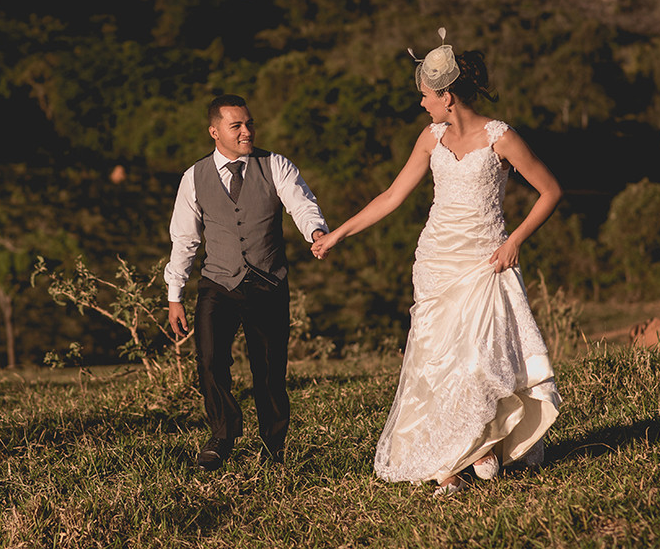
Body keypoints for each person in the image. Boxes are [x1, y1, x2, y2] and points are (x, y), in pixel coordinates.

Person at [311, 29, 562, 496]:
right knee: (438, 364)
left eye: (425, 96)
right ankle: (452, 462)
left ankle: (480, 444)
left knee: (480, 361)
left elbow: (551, 192)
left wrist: (516, 242)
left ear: (447, 96)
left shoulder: (501, 138)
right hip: (435, 262)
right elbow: (392, 195)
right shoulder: (430, 138)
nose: (422, 104)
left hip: (485, 260)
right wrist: (339, 233)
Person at [166, 94, 329, 470]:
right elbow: (185, 239)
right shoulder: (194, 177)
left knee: (270, 370)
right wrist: (175, 294)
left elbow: (301, 203)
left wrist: (315, 232)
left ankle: (274, 447)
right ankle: (222, 436)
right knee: (209, 361)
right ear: (214, 131)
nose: (246, 131)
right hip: (217, 282)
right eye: (236, 125)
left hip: (267, 281)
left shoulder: (275, 165)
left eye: (249, 123)